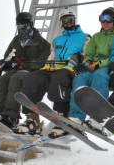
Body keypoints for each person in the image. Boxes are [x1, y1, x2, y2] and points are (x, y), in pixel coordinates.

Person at [18, 7, 88, 137]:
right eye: (65, 20)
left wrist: (78, 59)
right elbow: (51, 56)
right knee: (32, 78)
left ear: (75, 20)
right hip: (54, 68)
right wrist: (47, 64)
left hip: (72, 70)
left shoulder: (85, 37)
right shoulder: (57, 40)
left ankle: (62, 117)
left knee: (59, 78)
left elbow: (87, 56)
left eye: (70, 20)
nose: (67, 23)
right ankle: (31, 119)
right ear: (61, 22)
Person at [0, 12, 51, 132]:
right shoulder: (16, 40)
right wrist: (3, 63)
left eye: (23, 26)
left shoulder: (41, 43)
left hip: (31, 72)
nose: (21, 29)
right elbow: (8, 56)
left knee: (15, 79)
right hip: (17, 70)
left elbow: (41, 61)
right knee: (4, 79)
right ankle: (0, 113)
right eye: (18, 27)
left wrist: (24, 64)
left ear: (30, 25)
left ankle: (11, 116)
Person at [68, 7, 114, 131]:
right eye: (102, 20)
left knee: (99, 77)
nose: (105, 23)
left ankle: (98, 116)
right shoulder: (96, 37)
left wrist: (98, 64)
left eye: (108, 20)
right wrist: (86, 63)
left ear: (113, 20)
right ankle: (76, 117)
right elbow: (89, 54)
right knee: (80, 78)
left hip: (107, 66)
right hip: (93, 65)